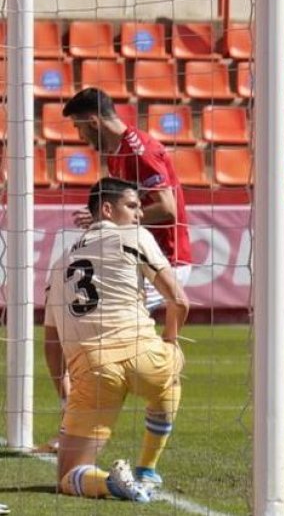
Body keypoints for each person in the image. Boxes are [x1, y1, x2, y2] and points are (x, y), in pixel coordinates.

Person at [43, 177, 190, 500]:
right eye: (133, 206)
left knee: (68, 476)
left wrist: (65, 395)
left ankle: (111, 483)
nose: (139, 214)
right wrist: (170, 340)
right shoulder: (135, 236)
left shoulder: (58, 265)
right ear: (107, 209)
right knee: (171, 375)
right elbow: (179, 300)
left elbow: (51, 345)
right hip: (145, 356)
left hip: (93, 370)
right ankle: (147, 469)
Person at [63, 87, 194, 313]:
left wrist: (107, 220)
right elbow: (127, 208)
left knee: (115, 322)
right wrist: (100, 216)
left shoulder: (139, 152)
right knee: (114, 325)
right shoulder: (117, 154)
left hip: (165, 260)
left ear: (94, 122)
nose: (79, 136)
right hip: (142, 257)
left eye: (79, 127)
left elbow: (167, 208)